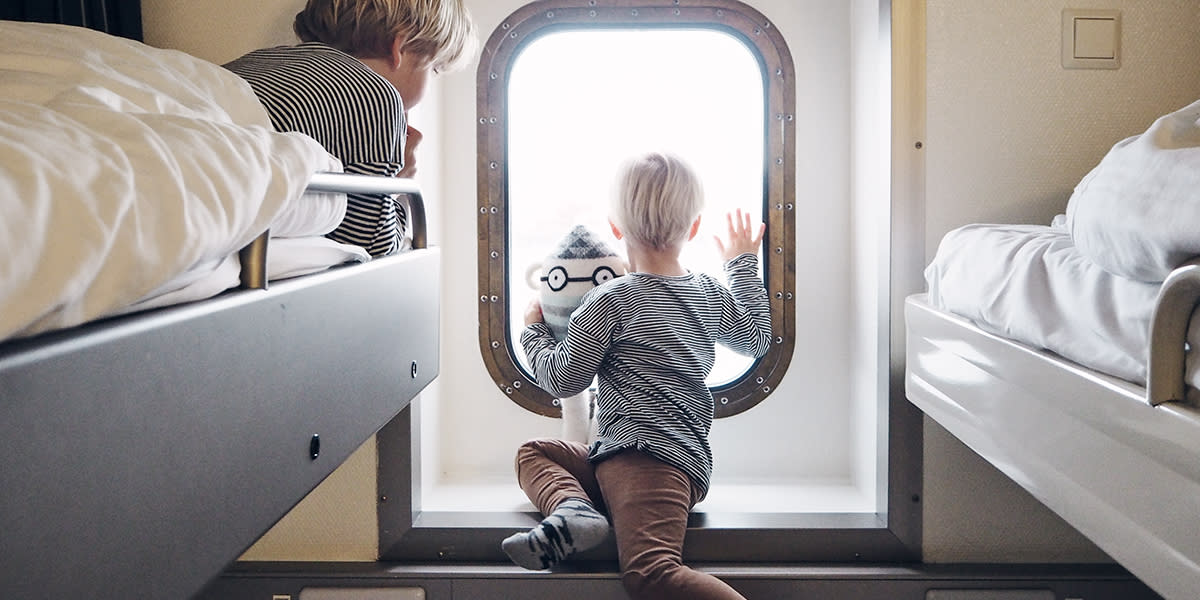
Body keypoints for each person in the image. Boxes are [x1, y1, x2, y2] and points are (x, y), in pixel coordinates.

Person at [504, 152, 772, 600]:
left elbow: (564, 379)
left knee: (652, 575)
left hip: (649, 461)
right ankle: (575, 511)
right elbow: (755, 337)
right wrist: (742, 263)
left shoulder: (611, 300)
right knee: (534, 453)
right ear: (692, 229)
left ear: (615, 228)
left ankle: (575, 512)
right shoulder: (708, 293)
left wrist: (533, 332)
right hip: (638, 457)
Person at [224, 0, 476, 257]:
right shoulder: (377, 96)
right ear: (398, 48)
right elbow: (372, 245)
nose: (431, 79)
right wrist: (397, 187)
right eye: (433, 69)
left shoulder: (254, 62)